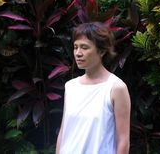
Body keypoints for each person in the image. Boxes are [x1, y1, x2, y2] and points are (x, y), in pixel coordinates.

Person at [56, 22, 131, 154]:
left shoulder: (116, 88)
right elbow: (64, 131)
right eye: (75, 47)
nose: (78, 53)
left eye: (84, 47)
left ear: (101, 51)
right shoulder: (71, 86)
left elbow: (123, 140)